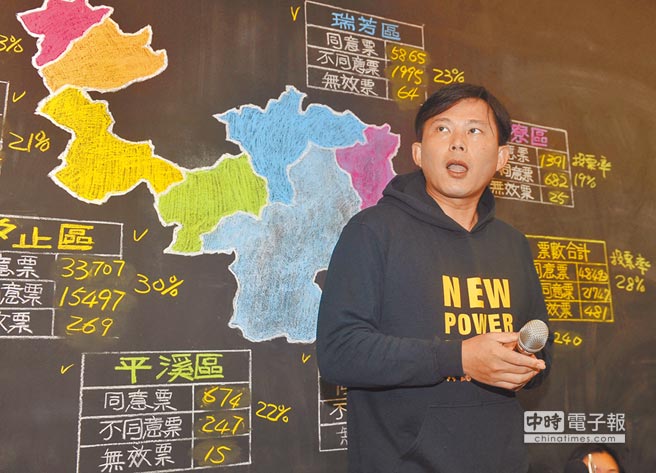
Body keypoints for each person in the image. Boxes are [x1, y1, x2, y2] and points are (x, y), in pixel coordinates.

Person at [316, 83, 552, 473]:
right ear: (418, 153)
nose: (457, 142)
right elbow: (339, 353)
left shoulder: (513, 244)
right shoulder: (373, 231)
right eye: (442, 129)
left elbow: (542, 349)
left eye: (474, 130)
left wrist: (523, 366)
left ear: (502, 157)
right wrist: (460, 358)